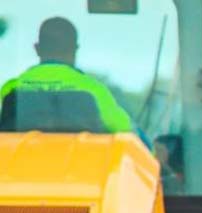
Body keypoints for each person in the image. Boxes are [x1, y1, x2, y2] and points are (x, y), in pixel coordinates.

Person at [0, 17, 135, 134]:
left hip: (20, 163)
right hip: (84, 163)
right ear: (75, 49)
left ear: (37, 48)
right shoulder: (92, 89)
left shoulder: (11, 89)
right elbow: (126, 131)